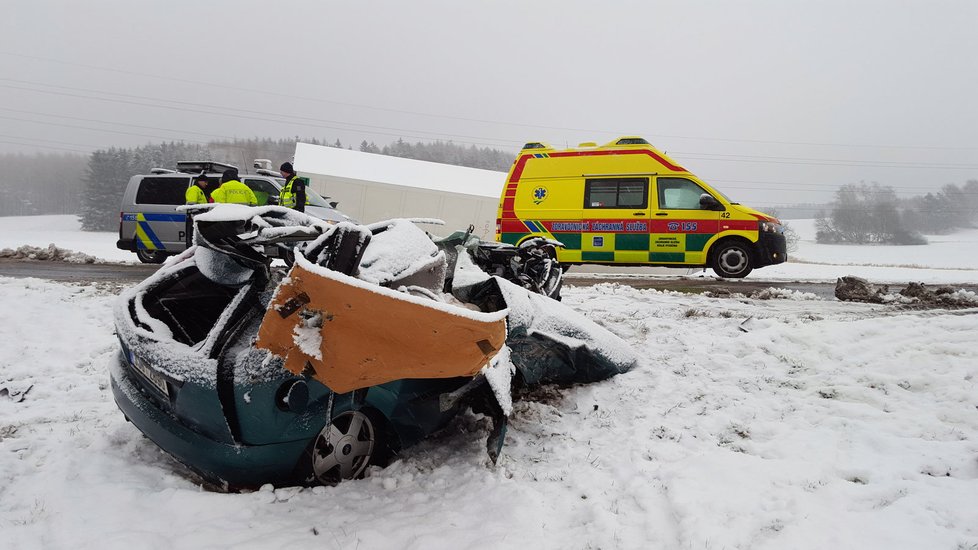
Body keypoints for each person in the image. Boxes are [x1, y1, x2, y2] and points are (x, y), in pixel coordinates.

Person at [184, 174, 210, 247]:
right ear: (200, 181)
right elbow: (192, 206)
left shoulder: (199, 190)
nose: (206, 184)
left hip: (198, 217)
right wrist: (197, 214)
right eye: (205, 182)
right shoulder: (194, 189)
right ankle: (192, 253)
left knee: (196, 238)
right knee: (193, 238)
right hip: (194, 218)